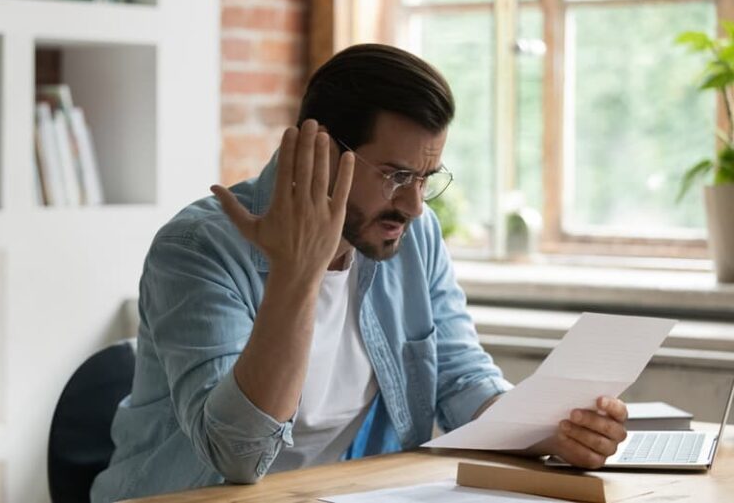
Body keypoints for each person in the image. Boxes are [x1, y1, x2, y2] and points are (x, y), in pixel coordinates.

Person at [90, 44, 628, 503]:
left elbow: (460, 379)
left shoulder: (414, 236)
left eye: (426, 177)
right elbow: (236, 457)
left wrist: (550, 430)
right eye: (396, 176)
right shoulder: (196, 249)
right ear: (320, 150)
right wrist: (299, 272)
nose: (415, 206)